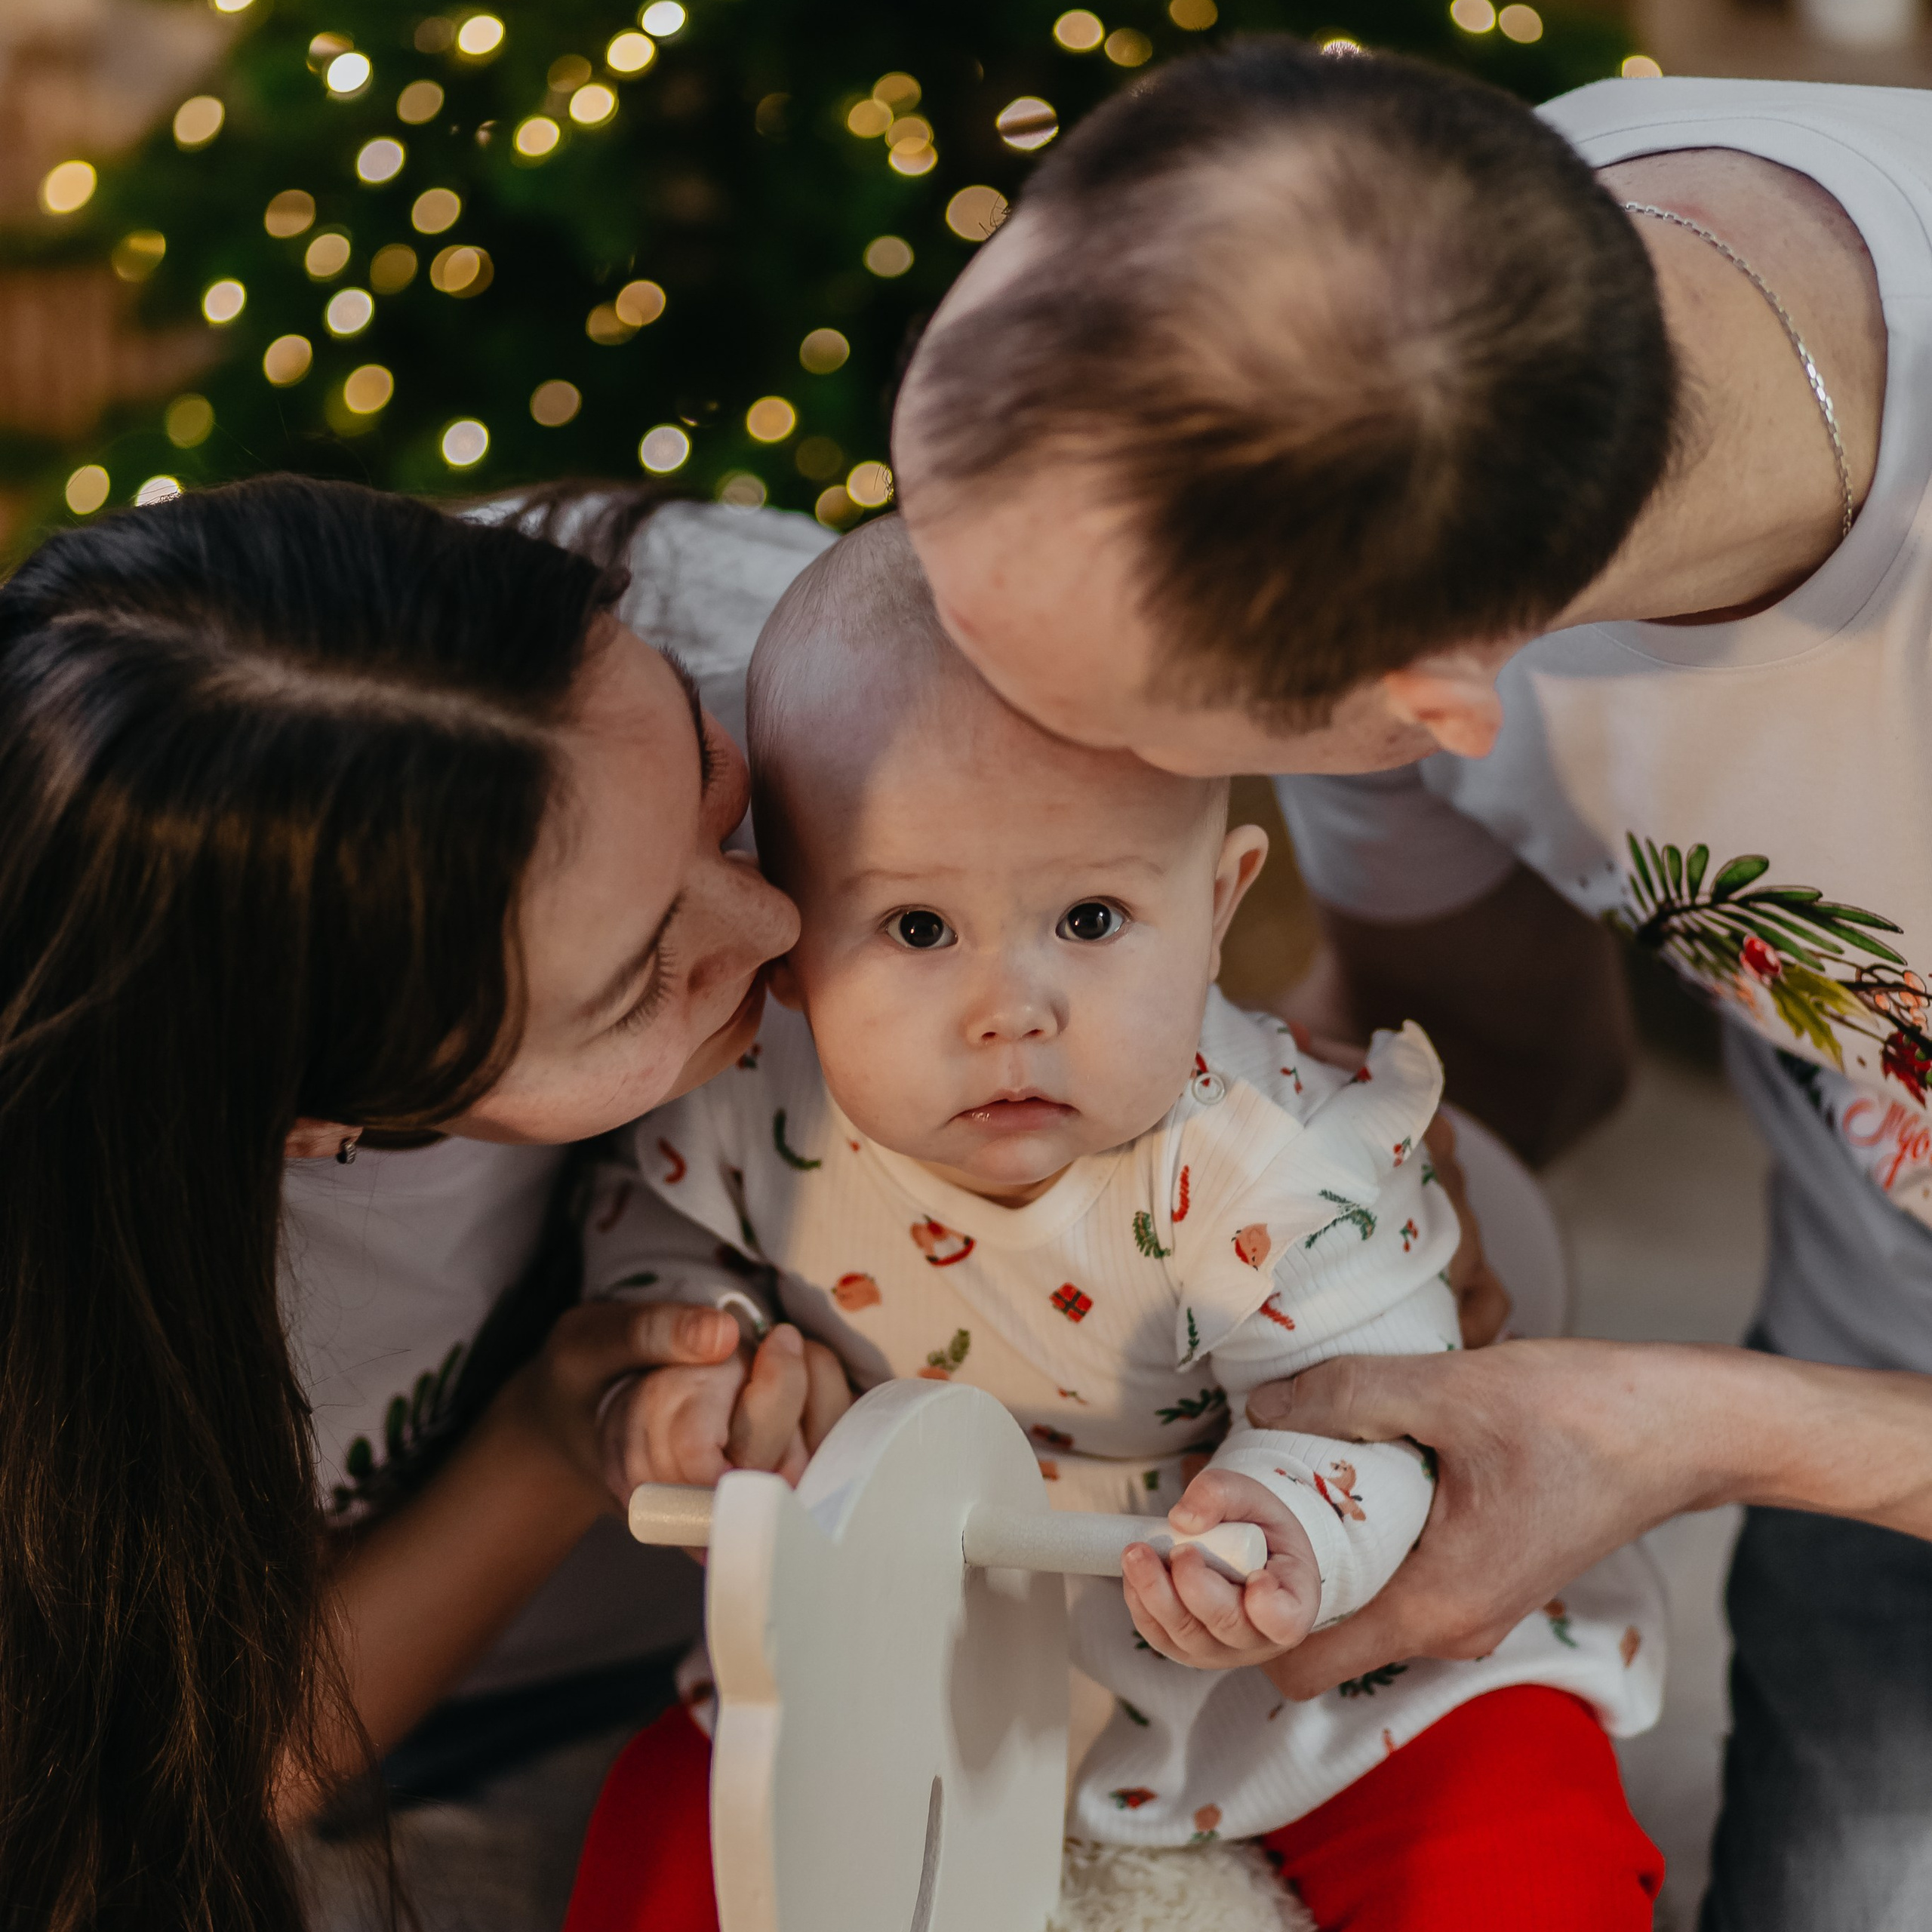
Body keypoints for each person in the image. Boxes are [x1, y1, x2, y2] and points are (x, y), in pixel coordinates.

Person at [891, 37, 1932, 1930]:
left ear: (1425, 705)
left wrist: (1695, 1426)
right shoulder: (1430, 315)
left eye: (1072, 730)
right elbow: (1507, 1056)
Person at [561, 518, 1663, 1932]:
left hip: (1301, 1652)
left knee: (1510, 1829)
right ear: (785, 936)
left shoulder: (1278, 1163)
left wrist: (1289, 1525)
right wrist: (696, 1386)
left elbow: (1380, 1406)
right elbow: (647, 1248)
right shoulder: (739, 1109)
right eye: (914, 930)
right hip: (919, 1637)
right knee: (683, 1823)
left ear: (1216, 911)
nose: (1012, 1008)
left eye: (1090, 918)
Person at [0, 475, 846, 1929]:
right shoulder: (74, 1308)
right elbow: (155, 1799)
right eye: (639, 980)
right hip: (469, 1721)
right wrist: (544, 1437)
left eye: (713, 782)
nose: (777, 920)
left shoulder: (765, 636)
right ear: (311, 1125)